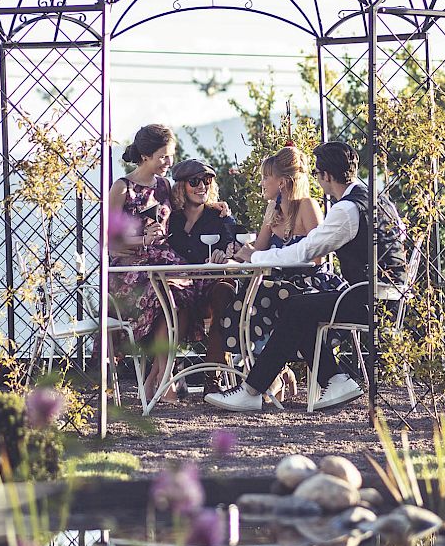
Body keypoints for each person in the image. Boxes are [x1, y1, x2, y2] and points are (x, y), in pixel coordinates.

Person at [205, 141, 409, 412]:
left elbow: (306, 251)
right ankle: (332, 379)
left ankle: (254, 390)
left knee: (296, 306)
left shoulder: (346, 209)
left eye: (318, 175)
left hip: (368, 297)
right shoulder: (377, 199)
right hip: (391, 293)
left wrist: (255, 257)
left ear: (325, 176)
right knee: (299, 306)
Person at [210, 146, 340, 390]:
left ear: (281, 182)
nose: (261, 182)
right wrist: (233, 254)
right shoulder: (273, 210)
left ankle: (267, 377)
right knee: (248, 295)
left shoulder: (307, 206)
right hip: (277, 284)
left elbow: (317, 259)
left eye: (265, 177)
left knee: (266, 295)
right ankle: (272, 373)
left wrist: (260, 255)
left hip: (309, 283)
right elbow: (255, 252)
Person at [106, 123, 210, 403]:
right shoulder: (122, 188)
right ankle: (166, 379)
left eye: (170, 155)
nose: (168, 162)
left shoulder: (164, 186)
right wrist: (142, 240)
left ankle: (159, 375)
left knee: (187, 290)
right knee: (164, 292)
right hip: (129, 269)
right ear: (145, 157)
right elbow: (111, 244)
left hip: (162, 260)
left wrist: (215, 206)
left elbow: (188, 208)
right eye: (163, 156)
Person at [166, 157, 240, 372]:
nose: (201, 186)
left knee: (224, 292)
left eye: (206, 181)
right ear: (181, 187)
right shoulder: (171, 219)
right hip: (182, 287)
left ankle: (212, 375)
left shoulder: (219, 216)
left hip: (211, 285)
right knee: (171, 299)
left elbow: (234, 246)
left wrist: (224, 255)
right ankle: (164, 372)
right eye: (194, 181)